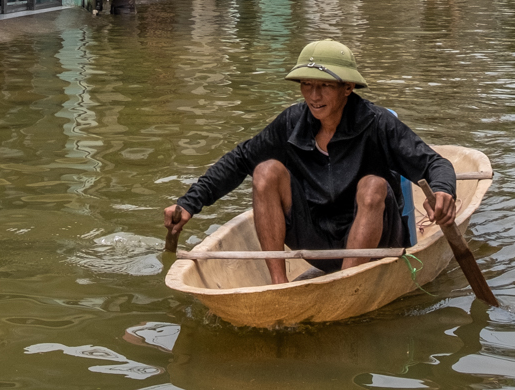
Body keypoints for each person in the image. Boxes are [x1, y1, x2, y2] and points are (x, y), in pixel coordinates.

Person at [162, 40, 457, 285]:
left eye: (325, 86)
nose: (314, 96)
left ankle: (348, 284)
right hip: (317, 238)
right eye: (307, 85)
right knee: (265, 170)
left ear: (348, 87)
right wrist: (189, 203)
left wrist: (443, 191)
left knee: (373, 184)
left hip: (376, 241)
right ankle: (279, 285)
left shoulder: (378, 124)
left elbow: (435, 164)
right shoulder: (292, 122)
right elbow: (240, 160)